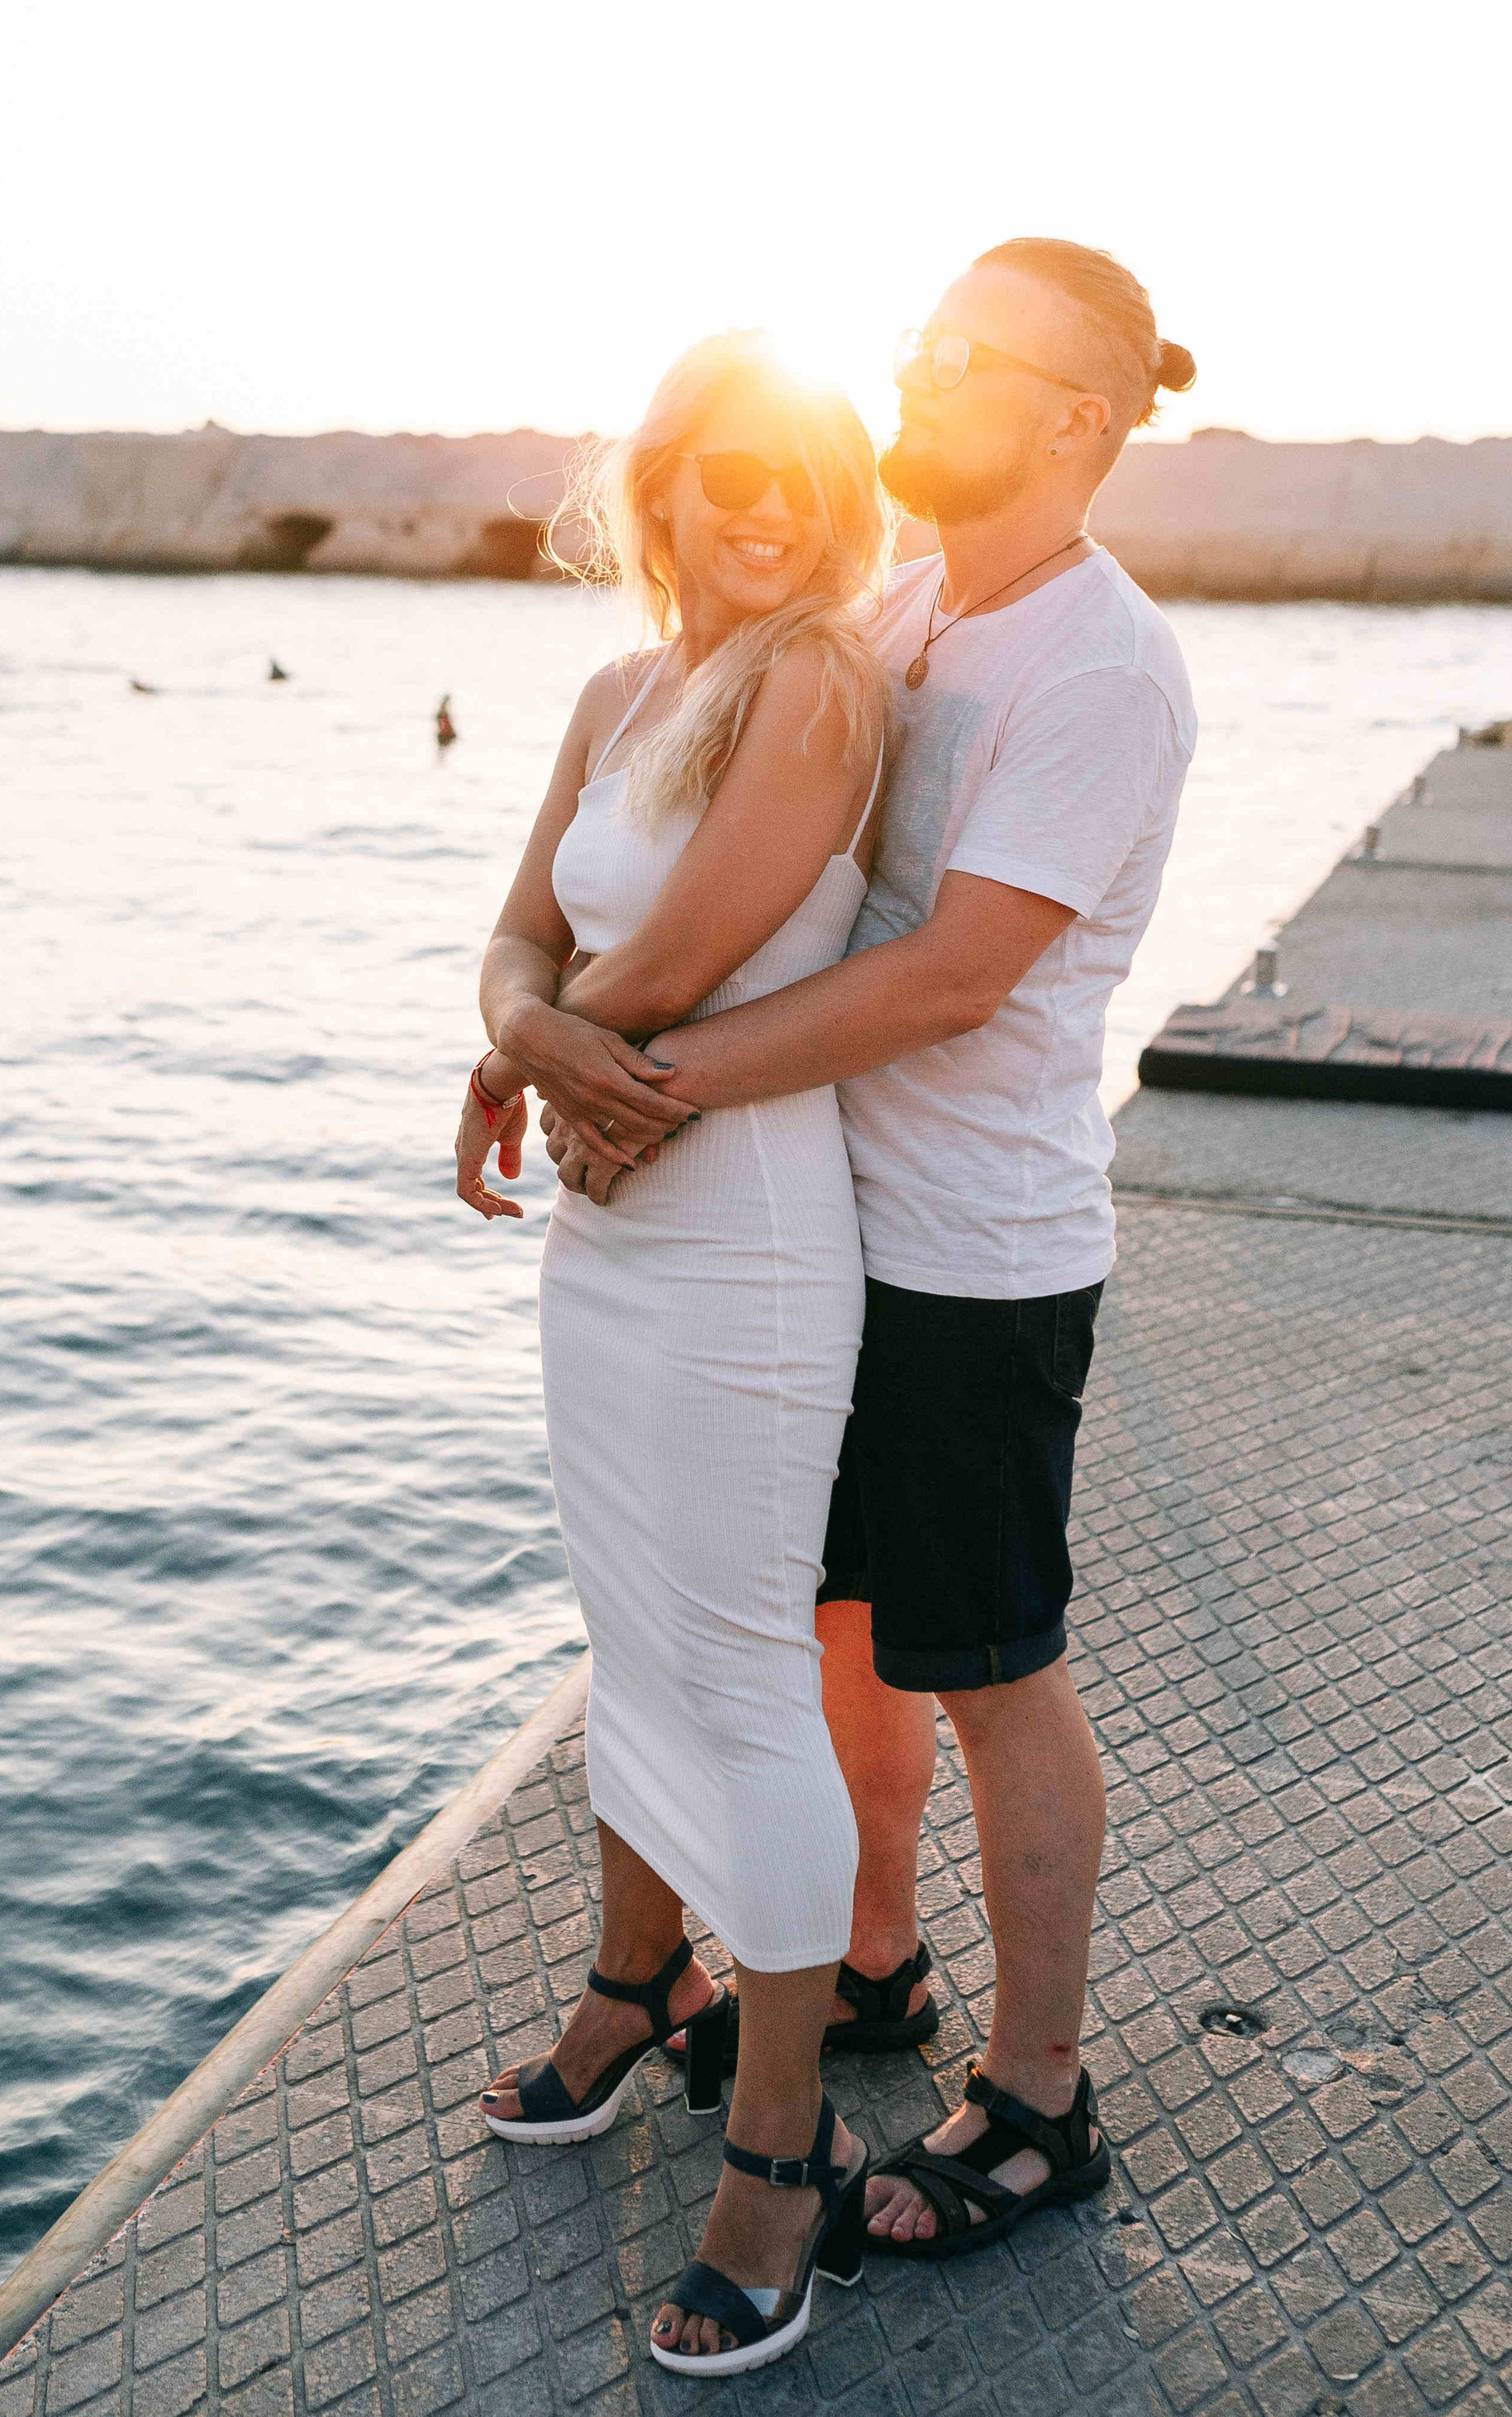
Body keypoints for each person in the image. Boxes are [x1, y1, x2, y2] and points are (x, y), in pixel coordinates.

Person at [536, 240, 1198, 2259]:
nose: (915, 374)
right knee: (834, 1633)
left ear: (1074, 419)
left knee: (996, 1672)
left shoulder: (1104, 666)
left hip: (979, 1260)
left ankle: (1041, 2100)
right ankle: (883, 1963)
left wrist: (642, 1074)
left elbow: (952, 981)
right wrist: (591, 1040)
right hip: (817, 1235)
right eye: (916, 340)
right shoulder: (909, 604)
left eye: (962, 359)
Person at [454, 332, 893, 2374]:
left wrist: (530, 1052)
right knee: (627, 1636)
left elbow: (677, 961)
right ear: (664, 492)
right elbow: (524, 930)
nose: (768, 512)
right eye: (732, 477)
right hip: (607, 1223)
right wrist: (521, 1027)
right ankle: (650, 1993)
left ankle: (781, 2142)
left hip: (743, 1240)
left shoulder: (816, 686)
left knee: (739, 1667)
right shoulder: (619, 690)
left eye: (804, 480)